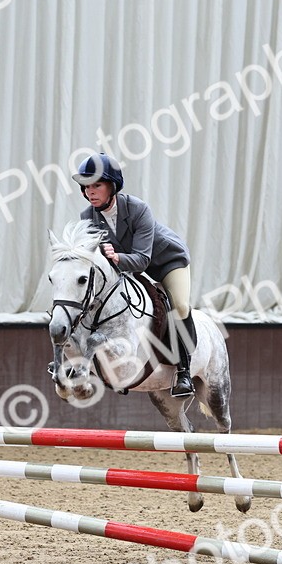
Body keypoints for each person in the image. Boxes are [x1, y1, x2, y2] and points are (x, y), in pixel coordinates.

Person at [72, 153, 197, 398]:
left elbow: (142, 259)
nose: (91, 192)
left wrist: (116, 257)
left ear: (113, 186)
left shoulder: (138, 209)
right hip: (129, 267)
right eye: (86, 187)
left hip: (166, 261)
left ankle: (184, 372)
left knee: (179, 306)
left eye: (97, 185)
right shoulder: (87, 217)